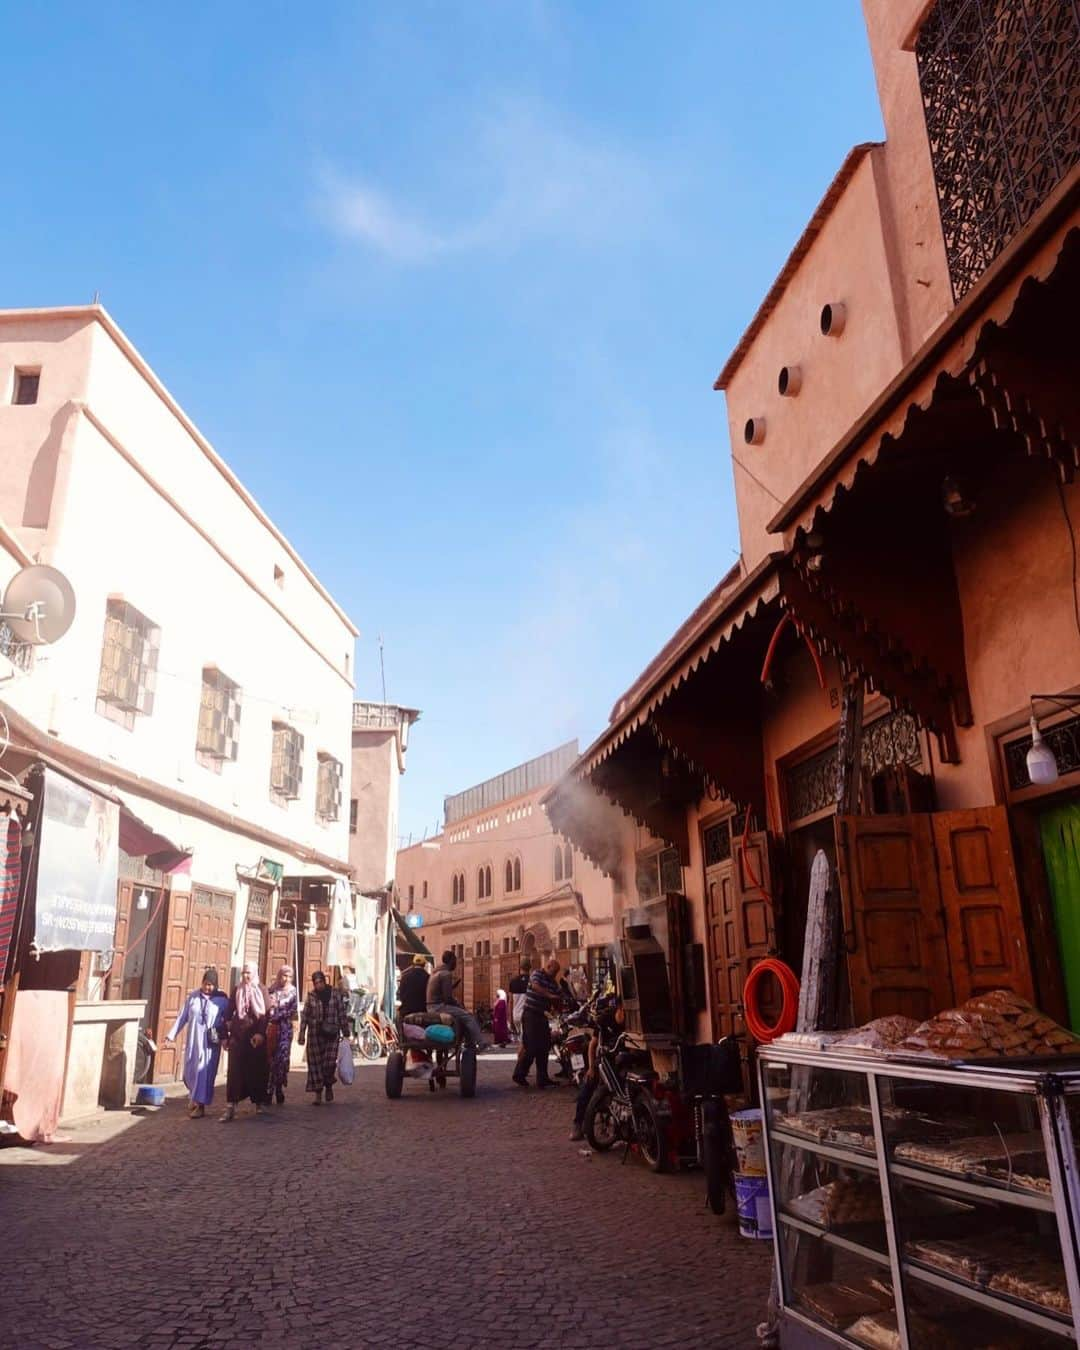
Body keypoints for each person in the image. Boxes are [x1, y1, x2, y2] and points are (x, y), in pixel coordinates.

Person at [163, 967, 229, 1118]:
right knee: (191, 1071)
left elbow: (227, 1021)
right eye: (205, 984)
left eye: (211, 985)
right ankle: (194, 1097)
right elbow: (183, 1017)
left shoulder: (222, 1000)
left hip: (210, 1044)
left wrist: (226, 1039)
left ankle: (200, 1106)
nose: (207, 987)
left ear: (216, 985)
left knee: (203, 1071)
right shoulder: (193, 997)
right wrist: (171, 1035)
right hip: (194, 1040)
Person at [220, 961, 270, 1122]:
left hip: (255, 1038)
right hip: (238, 1037)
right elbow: (228, 1013)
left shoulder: (261, 990)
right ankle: (231, 1107)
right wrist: (225, 1036)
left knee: (256, 1071)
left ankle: (259, 1104)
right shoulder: (237, 990)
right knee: (234, 1072)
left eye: (249, 973)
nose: (246, 976)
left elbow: (266, 1014)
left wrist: (261, 1034)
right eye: (244, 973)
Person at [570, 994, 624, 1141]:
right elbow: (593, 1045)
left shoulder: (631, 1023)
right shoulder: (605, 1019)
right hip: (604, 1059)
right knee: (587, 1087)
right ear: (620, 1008)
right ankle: (577, 1124)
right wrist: (591, 1068)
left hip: (621, 1062)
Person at [298, 970, 348, 1104]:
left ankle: (329, 1086)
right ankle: (318, 1094)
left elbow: (341, 1013)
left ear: (324, 981)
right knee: (315, 1065)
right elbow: (305, 1016)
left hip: (332, 1034)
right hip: (315, 1034)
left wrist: (346, 1030)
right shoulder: (311, 996)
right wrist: (302, 1034)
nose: (318, 985)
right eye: (316, 983)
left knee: (329, 1063)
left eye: (320, 982)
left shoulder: (335, 994)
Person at [514, 957, 562, 1089]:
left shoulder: (553, 982)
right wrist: (550, 996)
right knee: (531, 1046)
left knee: (544, 1046)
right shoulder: (537, 974)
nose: (555, 974)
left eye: (557, 972)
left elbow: (559, 994)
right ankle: (519, 1074)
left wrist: (560, 1000)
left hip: (542, 1016)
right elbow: (535, 986)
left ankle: (543, 1078)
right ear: (548, 966)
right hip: (530, 1014)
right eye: (554, 971)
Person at [426, 950, 484, 1048]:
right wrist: (459, 1006)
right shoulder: (446, 974)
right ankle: (480, 1043)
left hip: (430, 1006)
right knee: (468, 1016)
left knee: (462, 1014)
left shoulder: (435, 973)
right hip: (438, 1007)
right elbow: (448, 998)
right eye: (455, 961)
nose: (456, 964)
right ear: (451, 961)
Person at [266, 964, 298, 1105]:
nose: (286, 979)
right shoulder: (272, 990)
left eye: (289, 976)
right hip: (272, 1030)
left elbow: (292, 1011)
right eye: (284, 975)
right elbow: (267, 1007)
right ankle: (269, 1091)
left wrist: (277, 1012)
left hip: (285, 1031)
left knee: (282, 1060)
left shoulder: (293, 992)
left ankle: (279, 1088)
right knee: (270, 1060)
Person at [508, 960, 531, 1040]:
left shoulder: (513, 981)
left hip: (516, 1015)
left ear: (520, 968)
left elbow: (510, 1001)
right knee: (526, 1040)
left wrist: (510, 1019)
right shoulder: (532, 981)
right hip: (527, 1015)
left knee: (522, 1039)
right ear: (530, 968)